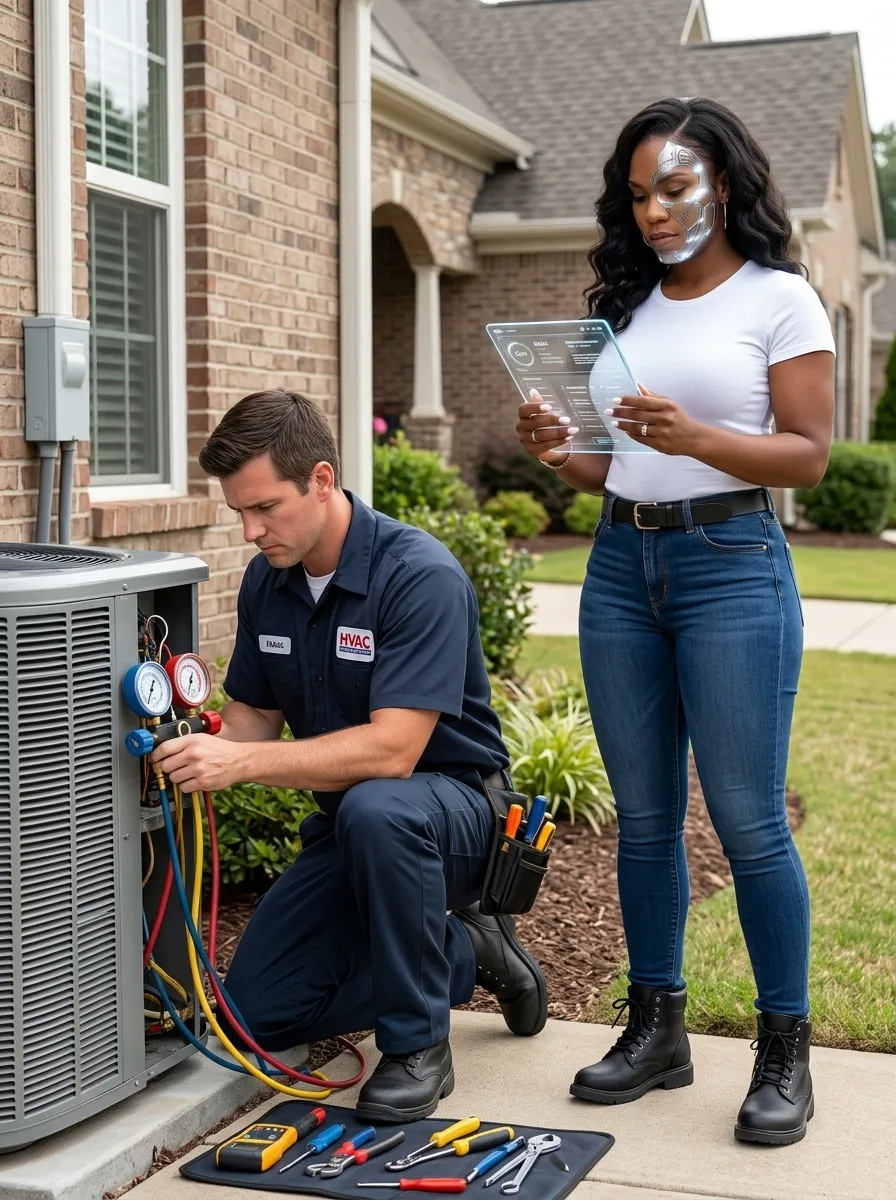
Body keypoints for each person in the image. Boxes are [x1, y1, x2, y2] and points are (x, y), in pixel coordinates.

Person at [515, 97, 834, 1146]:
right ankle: (655, 1028)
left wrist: (697, 434)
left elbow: (804, 455)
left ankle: (782, 1051)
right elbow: (623, 462)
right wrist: (557, 451)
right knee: (644, 821)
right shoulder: (630, 306)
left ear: (725, 187)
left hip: (730, 567)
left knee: (744, 823)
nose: (652, 210)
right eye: (638, 193)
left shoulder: (778, 299)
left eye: (673, 188)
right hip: (619, 564)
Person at [152, 389, 547, 1123]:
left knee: (378, 806)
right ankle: (462, 949)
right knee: (253, 1015)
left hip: (459, 817)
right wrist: (198, 749)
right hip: (356, 828)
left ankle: (418, 1047)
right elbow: (253, 721)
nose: (250, 530)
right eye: (239, 510)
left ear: (324, 480)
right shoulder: (268, 583)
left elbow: (395, 752)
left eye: (264, 507)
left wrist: (239, 766)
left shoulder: (416, 575)